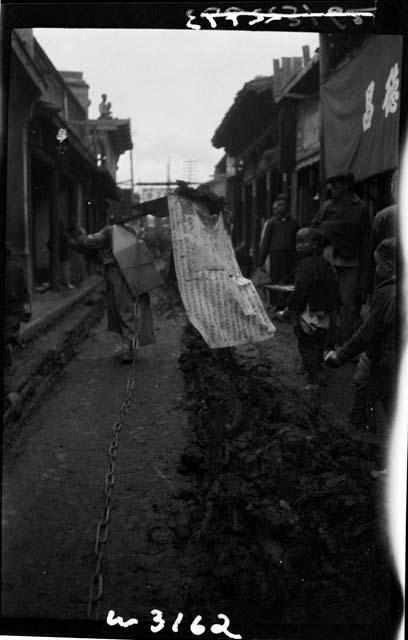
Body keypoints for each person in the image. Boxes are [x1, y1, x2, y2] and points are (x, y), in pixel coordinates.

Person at [324, 238, 397, 430]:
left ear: (389, 266)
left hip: (387, 360)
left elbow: (367, 333)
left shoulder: (388, 292)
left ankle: (363, 425)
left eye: (377, 265)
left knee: (380, 398)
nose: (375, 270)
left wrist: (340, 355)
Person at [76, 219, 162, 363]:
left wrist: (80, 236)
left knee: (123, 309)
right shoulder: (132, 231)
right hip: (134, 274)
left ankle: (128, 348)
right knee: (133, 309)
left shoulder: (109, 230)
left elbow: (89, 242)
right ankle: (131, 345)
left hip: (118, 276)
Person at [276, 228, 342, 391]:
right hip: (325, 311)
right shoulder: (326, 264)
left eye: (302, 242)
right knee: (319, 341)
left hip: (309, 310)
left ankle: (312, 379)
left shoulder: (305, 265)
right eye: (297, 242)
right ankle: (318, 370)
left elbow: (301, 290)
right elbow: (334, 286)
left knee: (305, 343)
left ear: (315, 245)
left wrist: (289, 308)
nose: (298, 246)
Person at [311, 173, 371, 344]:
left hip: (351, 263)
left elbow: (365, 241)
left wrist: (365, 275)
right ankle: (327, 344)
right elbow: (313, 230)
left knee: (348, 306)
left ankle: (345, 346)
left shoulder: (361, 208)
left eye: (334, 185)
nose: (331, 189)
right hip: (328, 260)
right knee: (329, 304)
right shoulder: (326, 207)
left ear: (345, 186)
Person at [4, 242, 31, 415]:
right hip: (14, 311)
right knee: (8, 341)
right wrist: (26, 307)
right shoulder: (16, 266)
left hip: (8, 310)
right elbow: (24, 288)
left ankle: (11, 391)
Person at [258, 194, 298, 284]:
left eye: (282, 205)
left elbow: (296, 241)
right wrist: (261, 261)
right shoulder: (272, 223)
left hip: (289, 255)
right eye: (278, 205)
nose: (279, 208)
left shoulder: (294, 223)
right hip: (275, 256)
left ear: (287, 206)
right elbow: (265, 243)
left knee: (288, 280)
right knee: (275, 280)